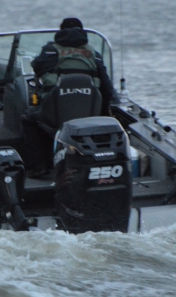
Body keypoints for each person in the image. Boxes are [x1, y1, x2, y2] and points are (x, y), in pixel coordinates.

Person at [21, 17, 115, 177]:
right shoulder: (95, 54)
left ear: (61, 31)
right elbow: (107, 89)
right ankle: (100, 164)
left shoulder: (50, 51)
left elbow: (37, 67)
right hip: (89, 116)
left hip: (55, 116)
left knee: (29, 119)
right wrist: (104, 111)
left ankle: (39, 167)